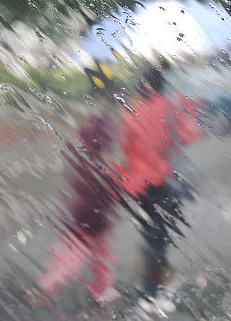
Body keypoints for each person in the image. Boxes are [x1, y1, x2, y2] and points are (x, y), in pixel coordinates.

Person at [114, 67, 204, 305]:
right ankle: (150, 289)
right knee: (160, 233)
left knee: (152, 230)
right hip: (164, 179)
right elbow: (187, 137)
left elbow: (126, 148)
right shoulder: (169, 106)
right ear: (162, 84)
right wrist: (191, 111)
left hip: (137, 182)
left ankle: (153, 281)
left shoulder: (130, 111)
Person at [36, 114, 121, 303]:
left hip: (89, 214)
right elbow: (109, 188)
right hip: (92, 216)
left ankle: (103, 288)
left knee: (98, 253)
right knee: (76, 254)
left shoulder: (82, 157)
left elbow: (74, 180)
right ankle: (49, 286)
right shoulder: (101, 164)